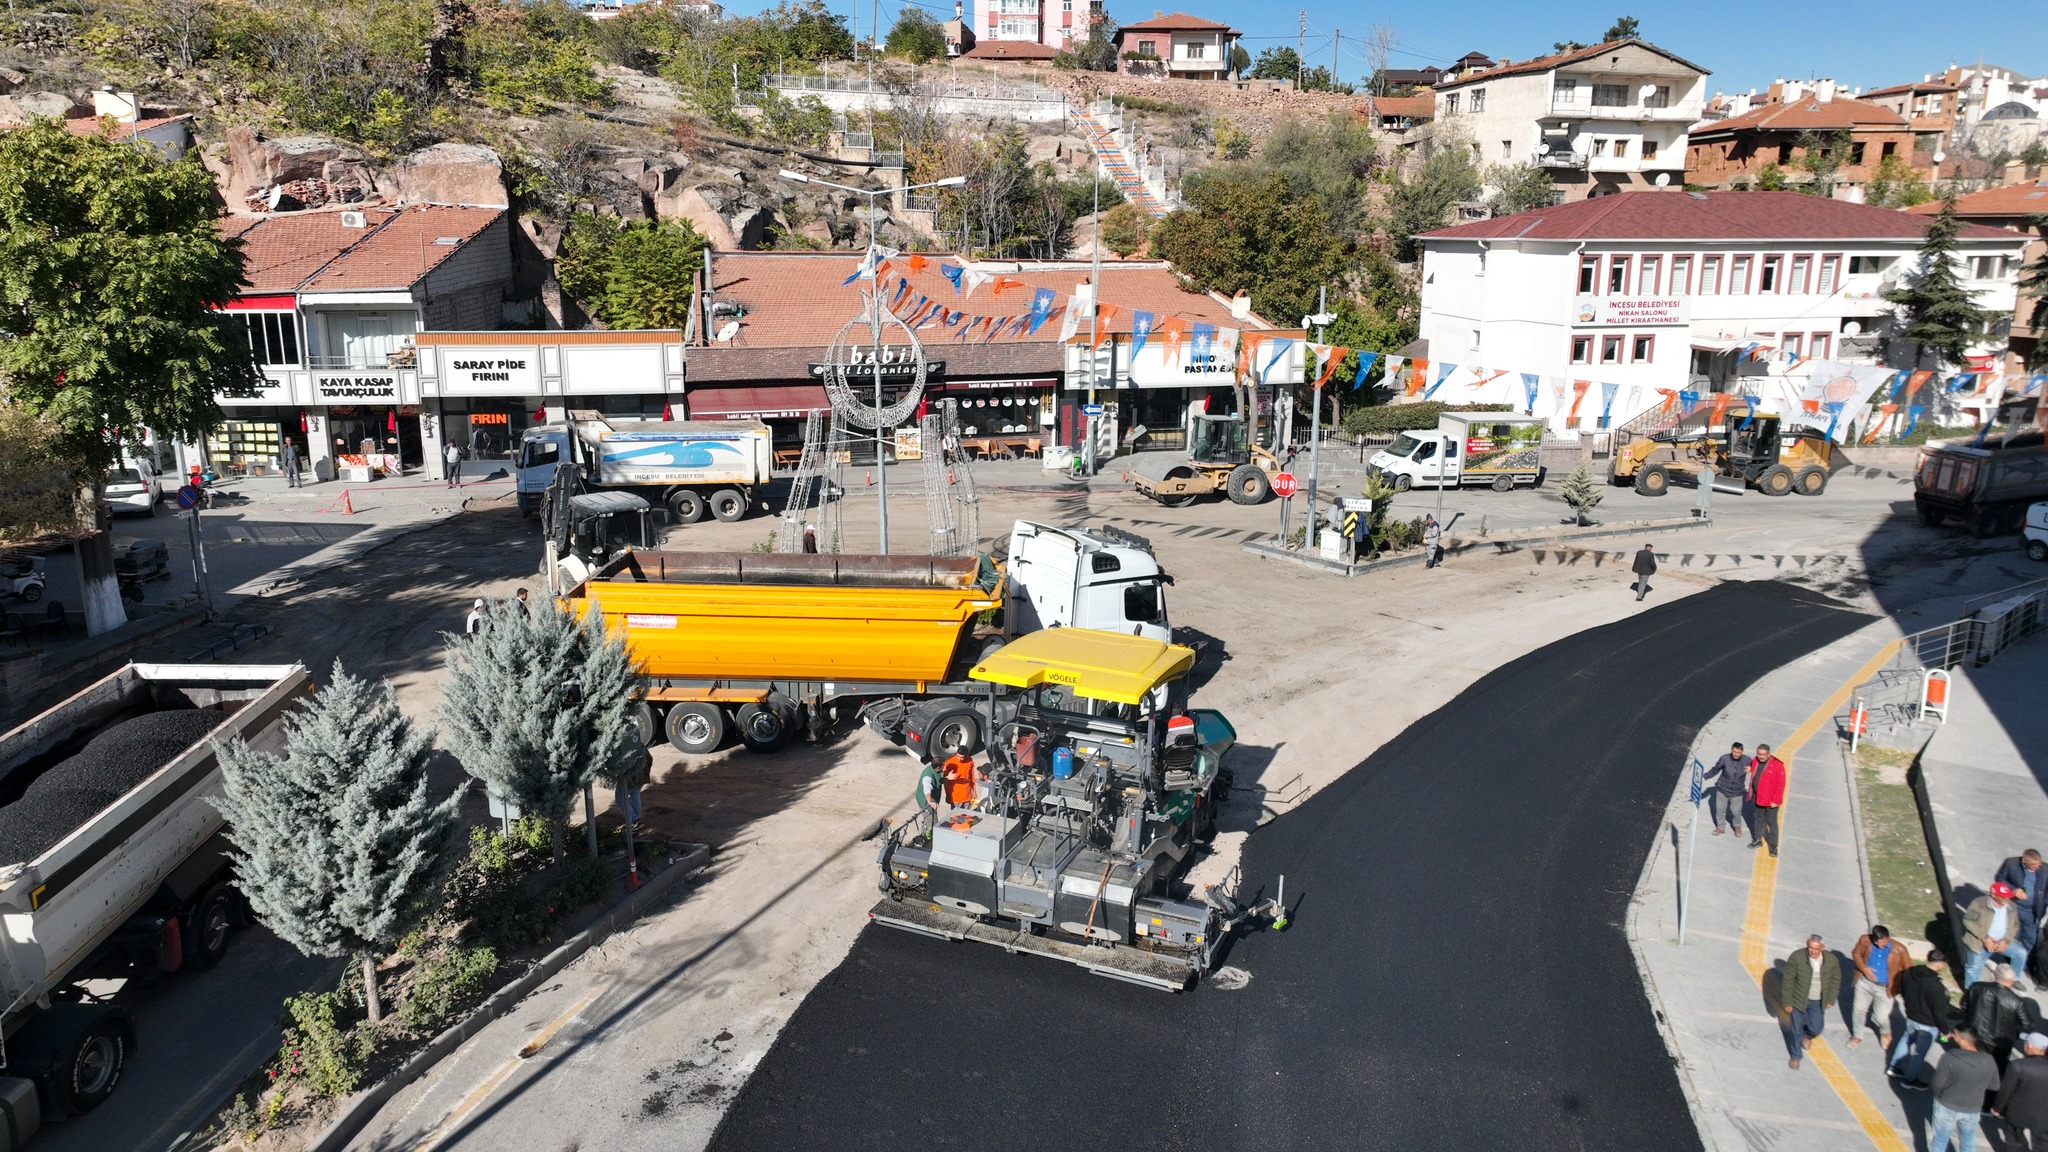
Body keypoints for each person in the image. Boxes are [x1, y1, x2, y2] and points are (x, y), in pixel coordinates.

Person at [1893, 949, 1957, 1088]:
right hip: (1928, 1025)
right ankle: (1909, 1080)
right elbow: (1939, 1013)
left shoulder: (1910, 972)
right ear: (1940, 964)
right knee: (1919, 1053)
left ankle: (1894, 1067)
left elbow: (1903, 989)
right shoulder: (1937, 987)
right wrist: (1945, 1031)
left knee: (1906, 1040)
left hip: (1911, 1016)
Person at [1930, 1029, 2002, 1152]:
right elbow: (1994, 1085)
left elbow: (1936, 1085)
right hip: (1972, 1109)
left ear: (1961, 1037)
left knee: (1939, 1142)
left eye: (1954, 1033)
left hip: (1946, 1105)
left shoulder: (1948, 1057)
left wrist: (1937, 1096)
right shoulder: (1988, 1059)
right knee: (1968, 1143)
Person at [1962, 962, 2042, 1069]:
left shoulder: (1976, 987)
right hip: (2000, 1043)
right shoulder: (2016, 1001)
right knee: (1997, 1068)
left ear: (1995, 974)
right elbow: (2027, 1024)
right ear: (2012, 980)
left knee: (1970, 1062)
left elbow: (1964, 1005)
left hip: (1975, 1034)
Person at [1780, 934, 1842, 1070]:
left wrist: (1831, 999)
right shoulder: (1797, 957)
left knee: (1816, 1027)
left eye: (1816, 949)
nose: (1813, 951)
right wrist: (1787, 1002)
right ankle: (1796, 1056)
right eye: (1810, 948)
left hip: (1818, 1001)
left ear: (1822, 948)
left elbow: (1836, 980)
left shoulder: (1831, 961)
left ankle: (1806, 1035)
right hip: (1799, 1000)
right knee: (1796, 1030)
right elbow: (1788, 981)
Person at [1850, 925, 1912, 1049]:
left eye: (1883, 943)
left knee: (1880, 1016)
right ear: (1873, 939)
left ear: (1888, 938)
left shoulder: (1900, 949)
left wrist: (1905, 989)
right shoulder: (1864, 940)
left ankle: (1885, 1032)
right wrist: (1864, 968)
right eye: (1877, 943)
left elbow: (1908, 969)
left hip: (1885, 989)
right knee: (1858, 1010)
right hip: (1864, 983)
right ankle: (1857, 1035)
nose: (1880, 946)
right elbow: (1856, 954)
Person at [1995, 849, 2048, 987]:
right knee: (2011, 936)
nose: (2037, 867)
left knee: (2030, 940)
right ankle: (2010, 965)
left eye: (2039, 864)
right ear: (2025, 862)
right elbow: (2000, 879)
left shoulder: (2045, 870)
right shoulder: (2011, 864)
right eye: (2034, 865)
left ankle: (2024, 967)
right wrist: (2013, 890)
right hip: (2013, 909)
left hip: (2032, 912)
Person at [1966, 884, 2028, 989]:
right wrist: (1986, 938)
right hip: (1980, 942)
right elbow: (1968, 921)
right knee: (1973, 968)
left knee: (2020, 953)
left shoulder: (2011, 906)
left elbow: (2015, 925)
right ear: (1993, 895)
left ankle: (2014, 979)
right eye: (2003, 896)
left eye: (2008, 896)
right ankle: (1971, 992)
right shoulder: (1979, 903)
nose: (2007, 899)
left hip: (2001, 941)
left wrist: (2005, 941)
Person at [1994, 1033, 2048, 1150]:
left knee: (2014, 1142)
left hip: (2017, 1113)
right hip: (2044, 1117)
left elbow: (2006, 1090)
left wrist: (1997, 1108)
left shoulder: (2017, 1065)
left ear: (2029, 1046)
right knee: (2042, 1145)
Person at [1702, 742, 1751, 838]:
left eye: (1738, 752)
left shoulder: (1747, 760)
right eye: (1734, 751)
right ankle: (1720, 827)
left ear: (1742, 752)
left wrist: (1752, 768)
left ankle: (1737, 826)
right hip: (1723, 788)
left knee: (1736, 811)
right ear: (1731, 750)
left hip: (1738, 790)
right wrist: (1705, 777)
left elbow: (1759, 765)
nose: (1736, 754)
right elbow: (1715, 769)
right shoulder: (1724, 758)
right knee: (1720, 809)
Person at [1749, 743, 1787, 857]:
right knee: (1758, 819)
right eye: (1759, 754)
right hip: (1757, 797)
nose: (1760, 757)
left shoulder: (1777, 766)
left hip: (1771, 801)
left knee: (1772, 823)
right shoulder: (1755, 761)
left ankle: (1773, 846)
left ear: (1769, 754)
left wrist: (1776, 799)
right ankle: (1757, 839)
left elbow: (1781, 784)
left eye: (1763, 755)